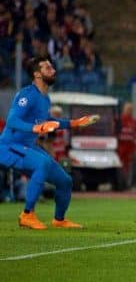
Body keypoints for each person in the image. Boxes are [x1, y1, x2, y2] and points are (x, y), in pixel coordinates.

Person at [0, 56, 99, 229]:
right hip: (8, 147)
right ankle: (27, 215)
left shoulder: (45, 98)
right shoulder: (27, 94)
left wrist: (74, 123)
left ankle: (59, 220)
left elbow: (49, 121)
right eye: (47, 67)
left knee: (65, 181)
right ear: (37, 74)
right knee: (43, 163)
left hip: (27, 148)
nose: (53, 70)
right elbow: (12, 120)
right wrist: (36, 128)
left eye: (52, 66)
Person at [117, 102, 136, 188]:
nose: (129, 111)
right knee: (119, 166)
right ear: (124, 109)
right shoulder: (118, 120)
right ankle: (119, 183)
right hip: (120, 148)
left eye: (131, 109)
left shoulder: (134, 122)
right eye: (128, 109)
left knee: (129, 168)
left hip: (130, 148)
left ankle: (127, 184)